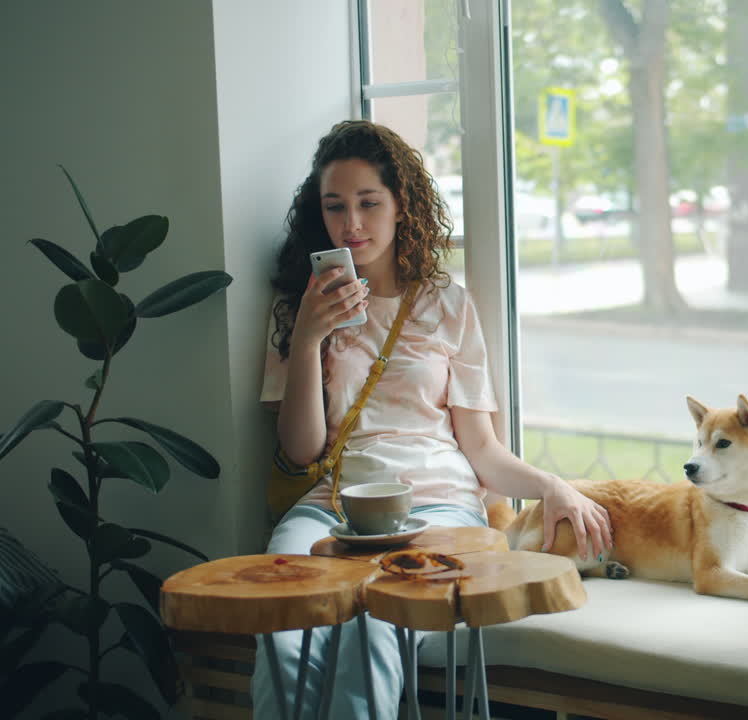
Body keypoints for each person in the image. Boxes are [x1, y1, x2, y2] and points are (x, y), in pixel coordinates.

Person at [254, 120, 612, 719]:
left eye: (370, 203)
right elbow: (299, 450)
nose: (352, 224)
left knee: (374, 634)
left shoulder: (448, 304)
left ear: (402, 208)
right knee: (282, 631)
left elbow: (482, 448)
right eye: (335, 207)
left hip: (437, 506)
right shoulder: (298, 308)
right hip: (333, 504)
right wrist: (310, 339)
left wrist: (551, 486)